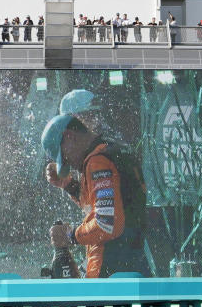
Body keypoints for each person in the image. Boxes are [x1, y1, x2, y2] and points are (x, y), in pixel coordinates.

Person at [41, 113, 150, 278]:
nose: (67, 162)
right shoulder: (112, 149)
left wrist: (70, 236)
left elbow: (107, 224)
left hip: (110, 276)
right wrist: (69, 185)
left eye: (64, 156)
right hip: (132, 266)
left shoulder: (98, 162)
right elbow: (103, 207)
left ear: (69, 136)